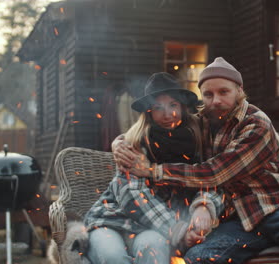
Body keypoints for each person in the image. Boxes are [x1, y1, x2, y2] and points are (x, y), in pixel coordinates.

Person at [114, 58, 279, 264]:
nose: (216, 100)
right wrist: (120, 143)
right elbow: (157, 127)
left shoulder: (256, 124)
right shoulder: (204, 122)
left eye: (223, 92)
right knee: (198, 257)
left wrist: (154, 171)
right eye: (208, 94)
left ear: (239, 91)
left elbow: (215, 173)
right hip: (238, 218)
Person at [84, 72, 223, 264]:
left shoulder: (198, 139)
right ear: (149, 112)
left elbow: (210, 178)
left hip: (150, 230)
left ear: (182, 107)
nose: (168, 114)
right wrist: (178, 230)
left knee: (154, 249)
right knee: (113, 258)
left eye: (173, 105)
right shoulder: (134, 143)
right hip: (112, 223)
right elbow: (132, 195)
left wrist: (204, 205)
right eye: (158, 107)